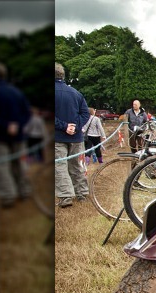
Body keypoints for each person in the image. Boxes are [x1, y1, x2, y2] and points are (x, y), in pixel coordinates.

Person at [54, 62, 90, 208]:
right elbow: (85, 113)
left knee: (60, 165)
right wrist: (75, 126)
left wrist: (64, 126)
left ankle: (66, 196)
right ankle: (82, 193)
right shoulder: (76, 93)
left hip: (57, 136)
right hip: (76, 137)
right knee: (77, 165)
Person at [0, 62, 32, 208]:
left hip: (0, 137)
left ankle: (8, 195)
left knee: (2, 165)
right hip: (19, 135)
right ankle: (24, 191)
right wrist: (17, 125)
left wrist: (6, 125)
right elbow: (27, 112)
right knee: (20, 164)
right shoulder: (16, 92)